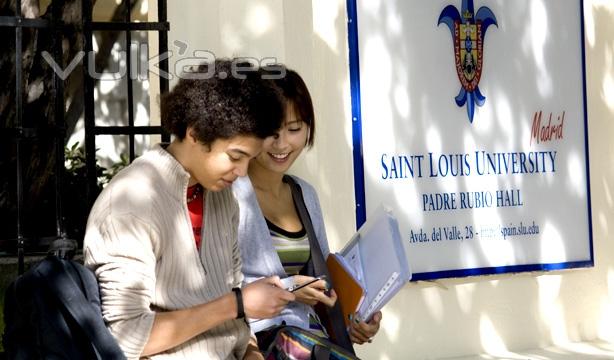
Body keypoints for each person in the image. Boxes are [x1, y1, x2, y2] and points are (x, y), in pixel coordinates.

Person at [83, 59, 296, 360]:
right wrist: (236, 303)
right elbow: (125, 338)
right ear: (195, 133)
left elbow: (238, 326)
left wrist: (252, 352)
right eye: (235, 156)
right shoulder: (130, 203)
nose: (243, 172)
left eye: (250, 158)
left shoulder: (222, 197)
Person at [233, 67, 382, 354]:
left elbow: (324, 285)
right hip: (254, 344)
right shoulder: (231, 192)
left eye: (294, 129)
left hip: (308, 341)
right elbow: (218, 289)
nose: (282, 144)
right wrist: (289, 289)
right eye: (271, 132)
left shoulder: (305, 194)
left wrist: (355, 321)